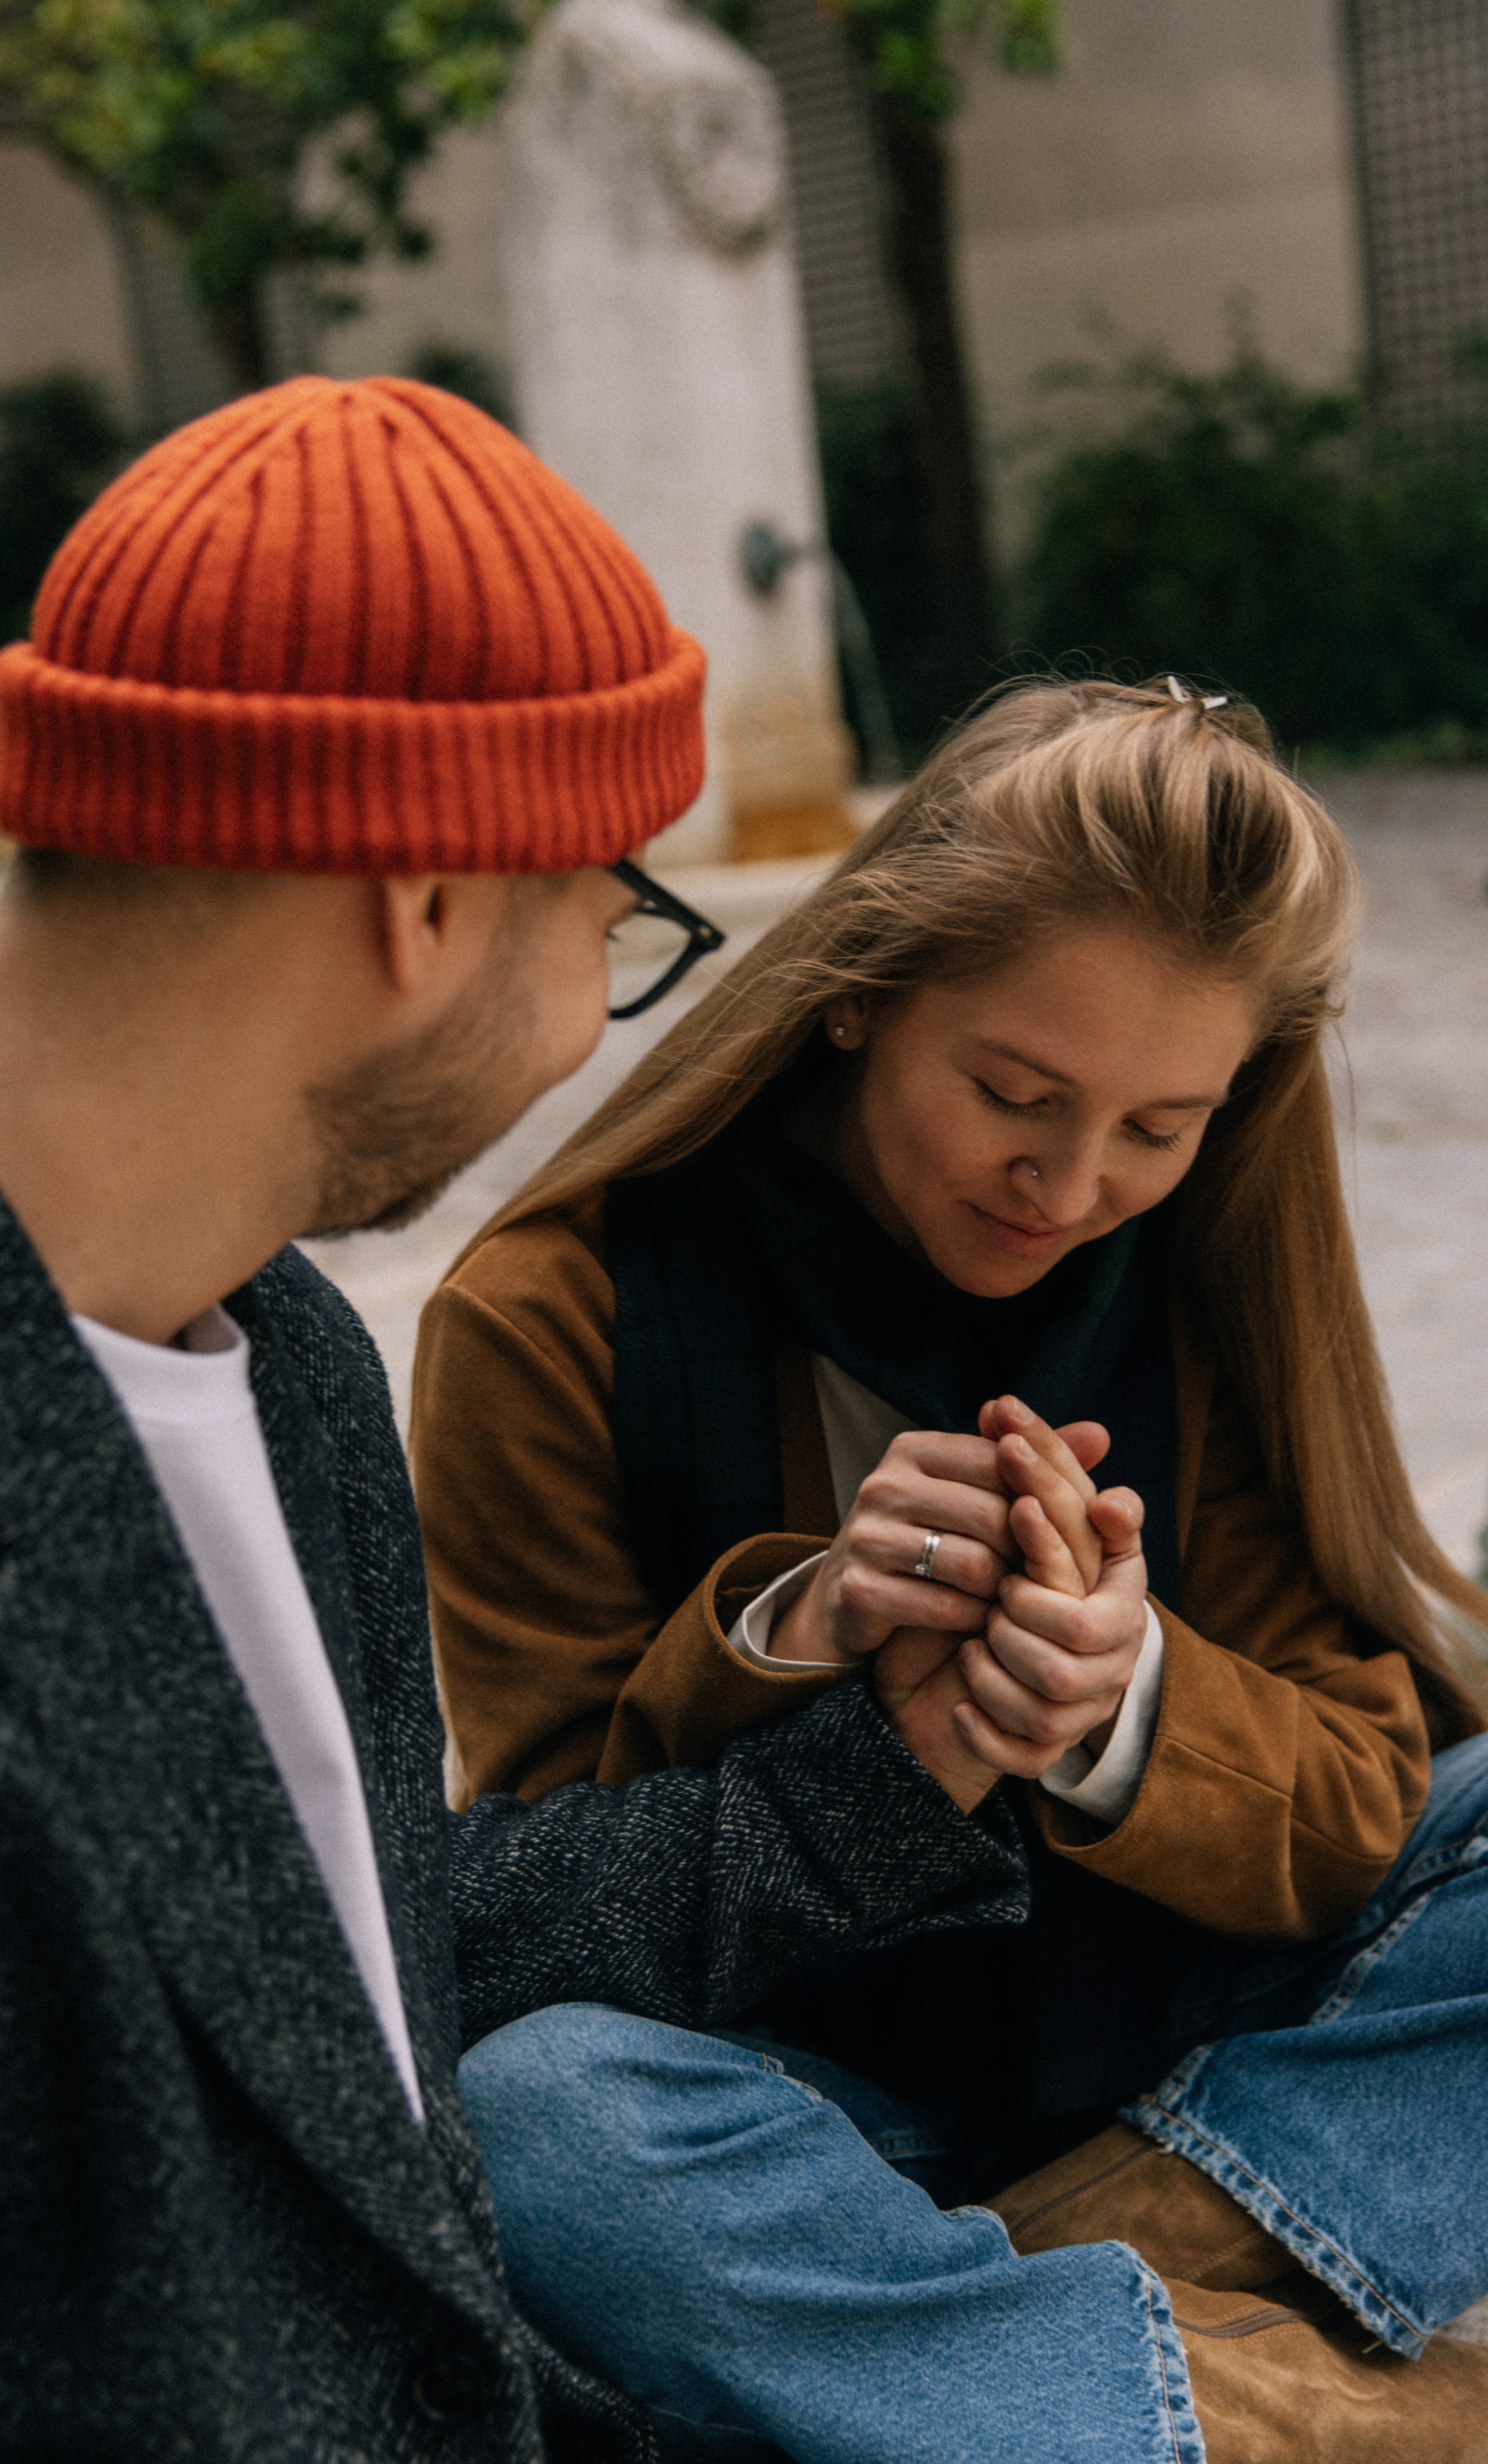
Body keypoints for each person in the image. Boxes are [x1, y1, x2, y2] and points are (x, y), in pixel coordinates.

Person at [0, 377, 1130, 2461]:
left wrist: (888, 1776)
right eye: (615, 921)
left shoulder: (284, 1351)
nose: (603, 1014)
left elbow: (344, 1966)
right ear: (420, 900)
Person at [413, 677, 1488, 2456]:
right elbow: (538, 1901)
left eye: (1157, 1128)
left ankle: (954, 2348)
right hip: (800, 2101)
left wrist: (1125, 1705)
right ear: (857, 990)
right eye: (1012, 1093)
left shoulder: (1208, 1276)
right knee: (535, 2117)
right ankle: (1339, 2425)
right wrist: (802, 1628)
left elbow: (1363, 1798)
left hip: (1167, 2054)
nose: (1067, 1185)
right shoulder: (547, 1317)